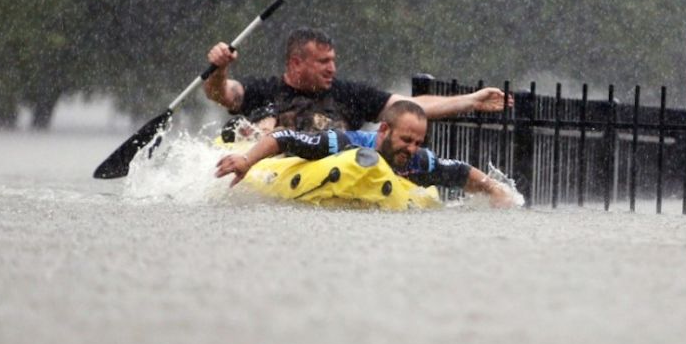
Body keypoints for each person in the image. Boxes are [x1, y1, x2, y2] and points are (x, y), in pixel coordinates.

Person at [204, 27, 509, 135]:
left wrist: (470, 100)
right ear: (296, 63)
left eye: (333, 60)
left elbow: (409, 106)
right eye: (323, 62)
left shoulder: (349, 94)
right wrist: (218, 68)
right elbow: (222, 94)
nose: (332, 69)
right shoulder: (263, 90)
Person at [215, 100, 518, 208]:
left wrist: (495, 189)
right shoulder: (344, 141)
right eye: (406, 139)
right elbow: (284, 138)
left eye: (418, 141)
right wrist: (247, 160)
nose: (411, 148)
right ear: (384, 130)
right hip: (304, 173)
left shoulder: (417, 160)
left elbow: (460, 171)